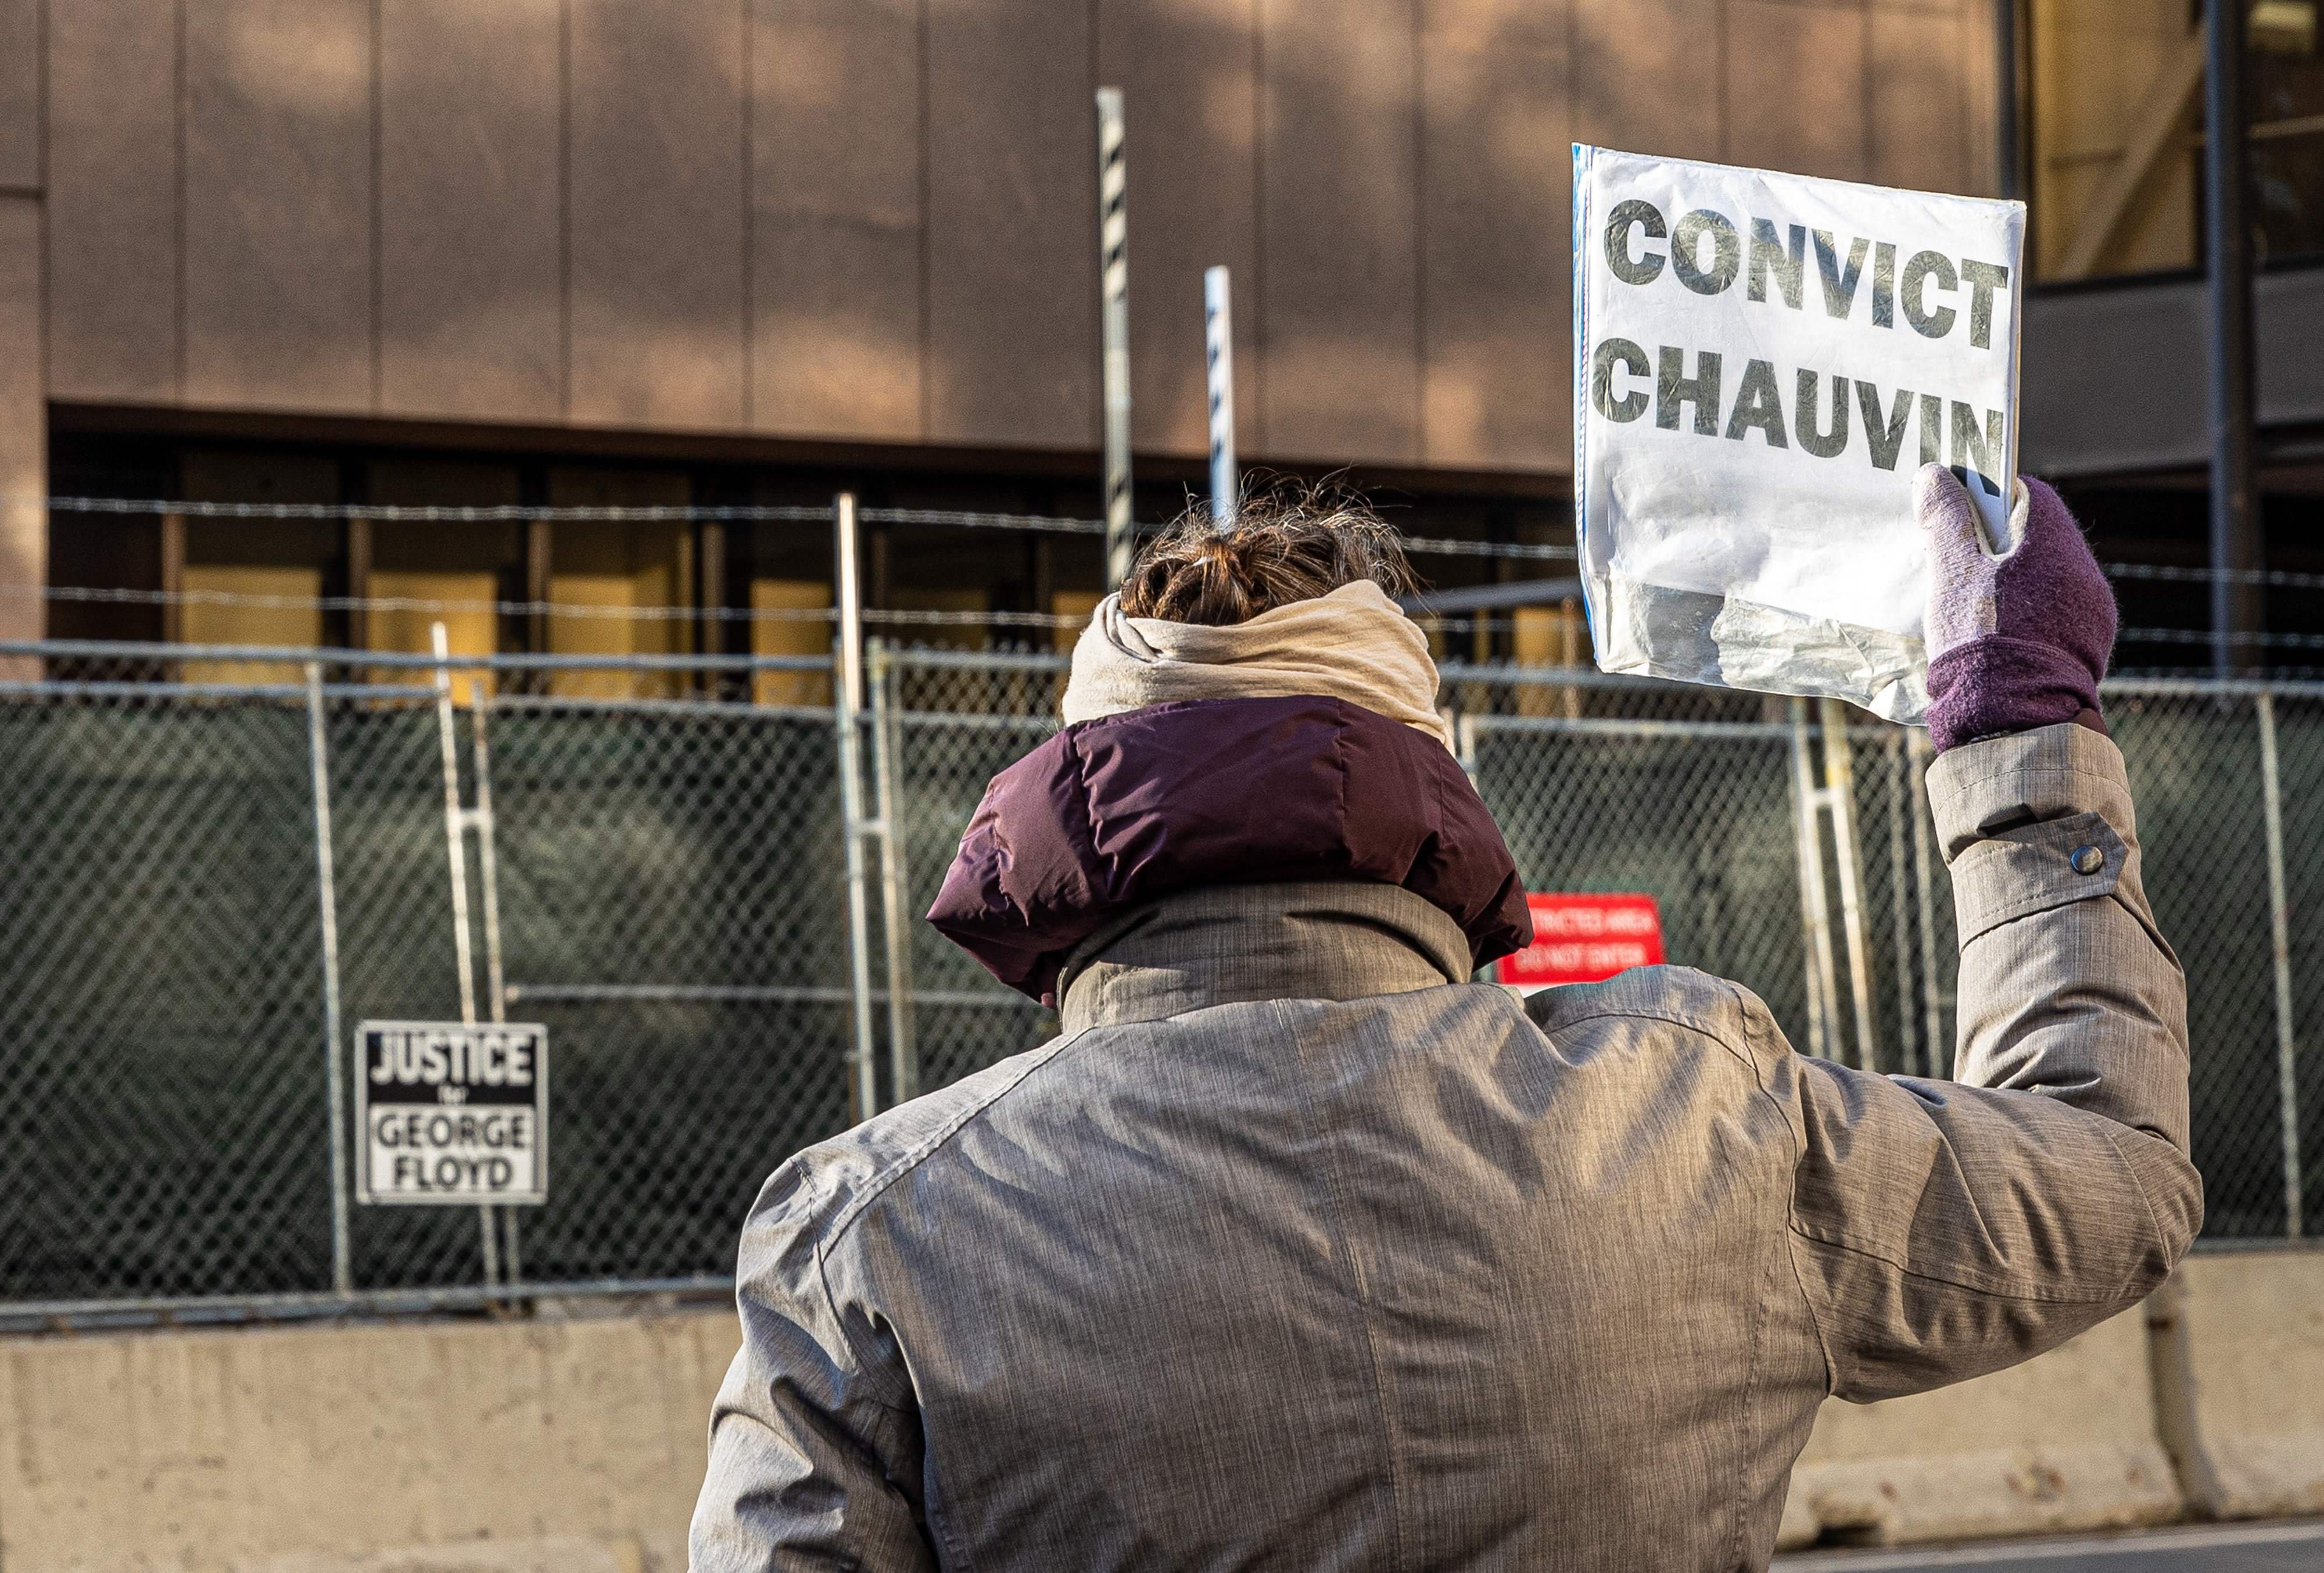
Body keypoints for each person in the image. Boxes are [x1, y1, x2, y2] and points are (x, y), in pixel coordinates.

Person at [690, 468, 2199, 1570]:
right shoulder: (1695, 1113)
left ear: (1077, 799)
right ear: (1424, 779)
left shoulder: (872, 1236)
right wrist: (2019, 731)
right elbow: (2116, 1169)